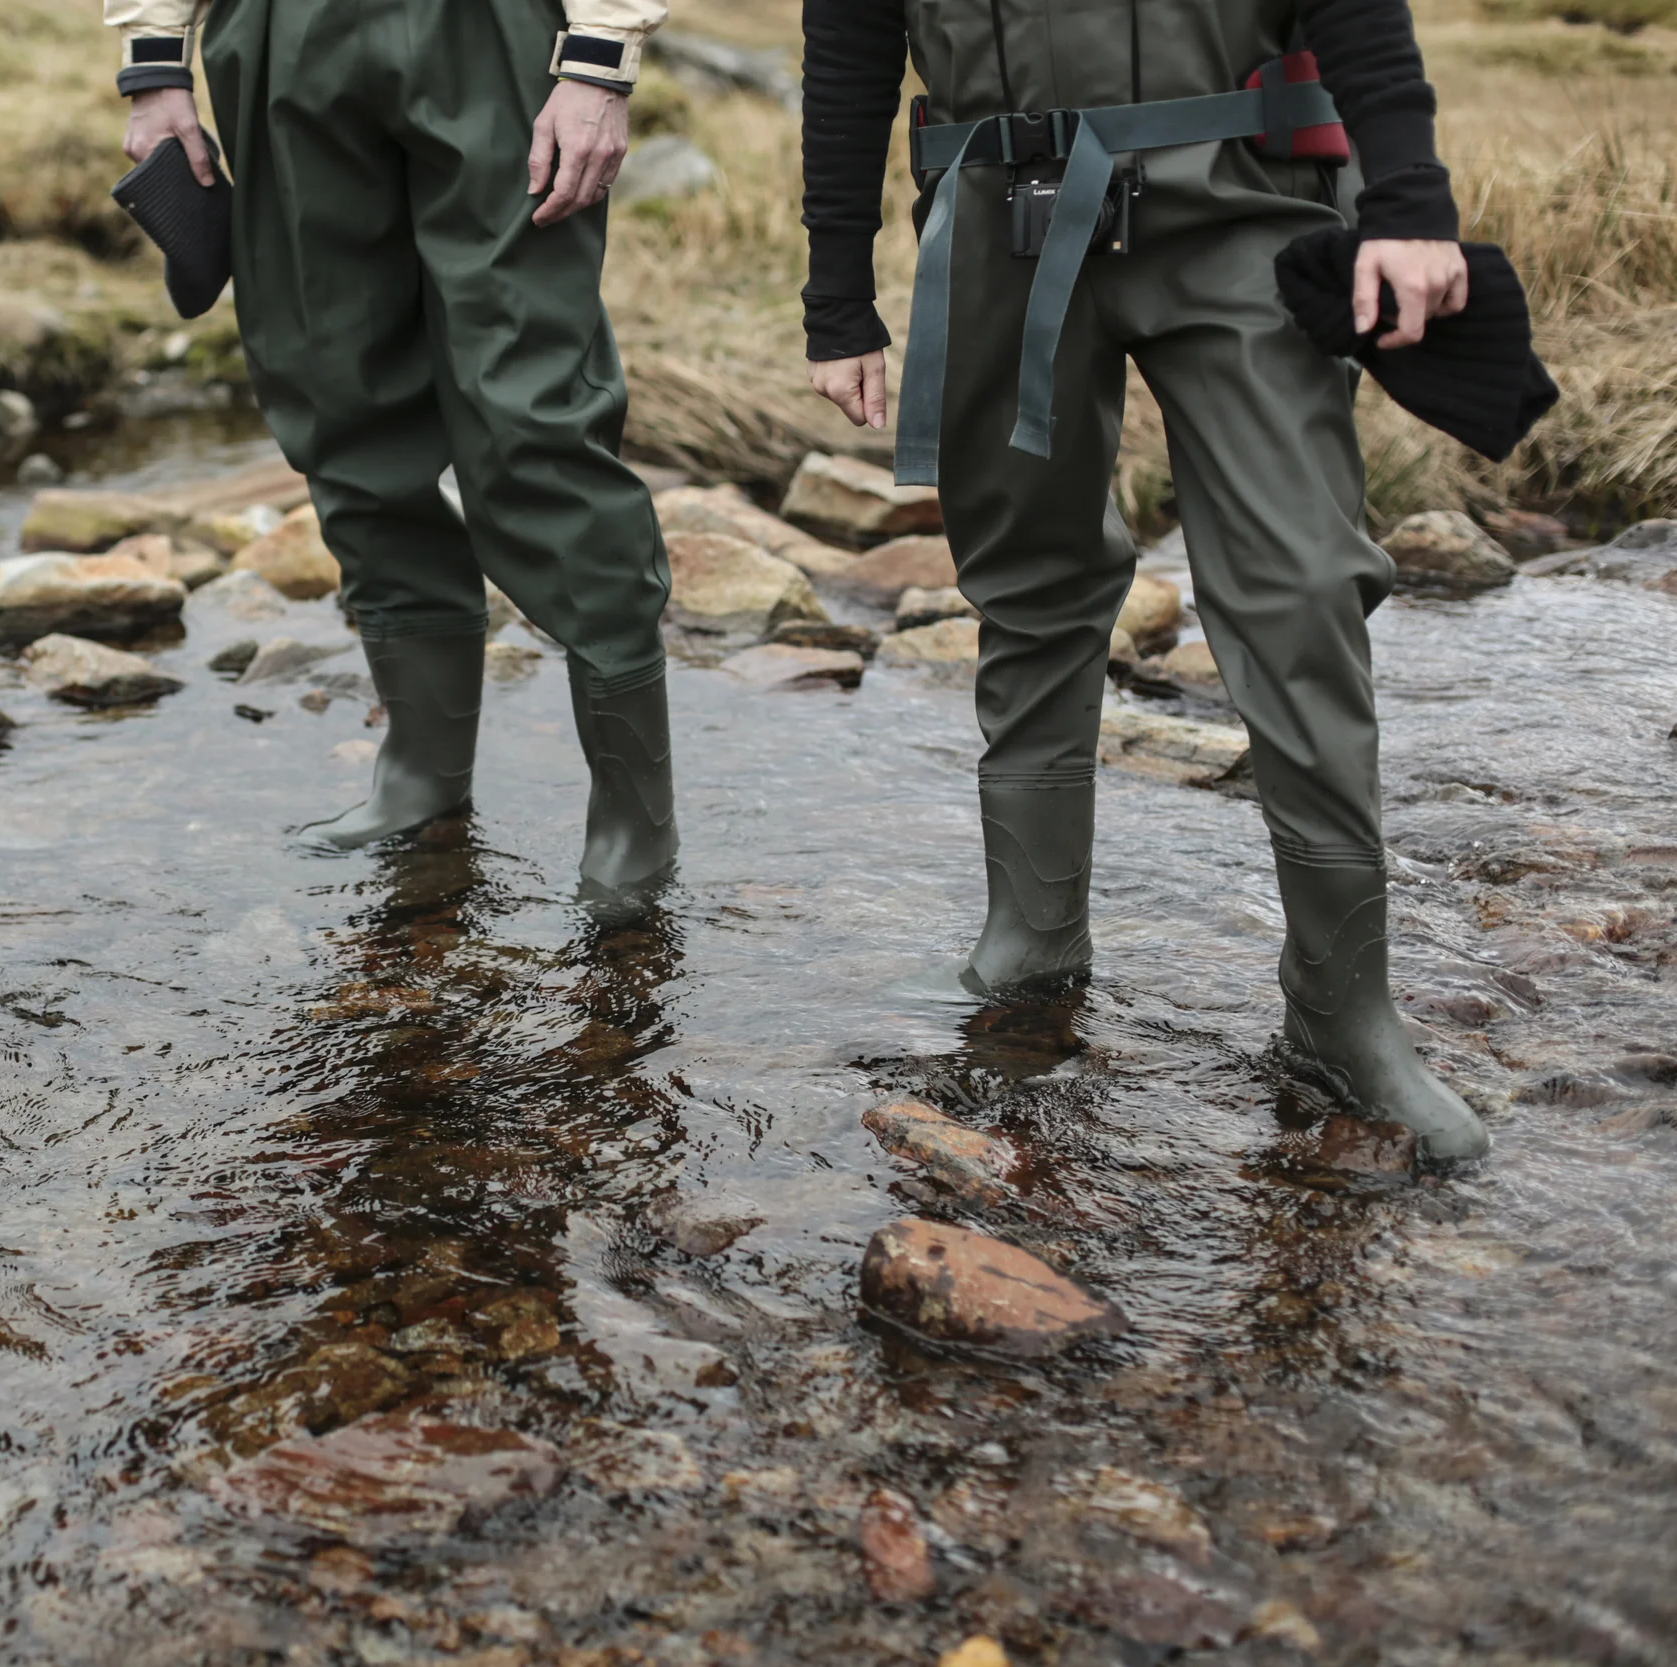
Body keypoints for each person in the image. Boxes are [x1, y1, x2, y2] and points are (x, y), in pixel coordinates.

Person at [800, 0, 1491, 1162]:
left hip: (1238, 202)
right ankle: (1031, 940)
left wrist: (1409, 198)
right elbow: (851, 25)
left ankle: (1341, 1014)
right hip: (989, 203)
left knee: (1299, 585)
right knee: (1026, 581)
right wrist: (836, 287)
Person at [111, 0, 681, 899]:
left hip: (489, 33)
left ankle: (634, 809)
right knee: (335, 390)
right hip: (279, 34)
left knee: (533, 412)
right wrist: (155, 59)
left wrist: (601, 54)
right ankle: (422, 769)